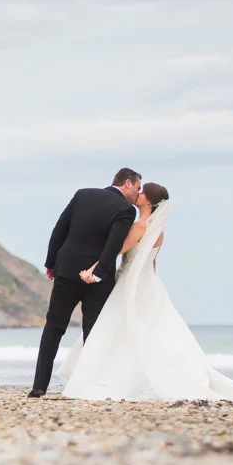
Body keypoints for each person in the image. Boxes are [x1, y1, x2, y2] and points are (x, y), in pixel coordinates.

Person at [59, 183, 233, 401]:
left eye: (142, 191)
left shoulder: (138, 227)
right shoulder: (159, 232)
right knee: (151, 330)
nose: (139, 193)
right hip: (149, 282)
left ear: (147, 201)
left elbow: (115, 252)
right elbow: (151, 262)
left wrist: (92, 269)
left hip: (130, 281)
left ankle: (112, 377)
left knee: (118, 329)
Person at [29, 168, 141, 398]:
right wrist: (97, 273)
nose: (137, 193)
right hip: (97, 281)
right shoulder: (125, 209)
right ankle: (88, 386)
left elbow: (60, 229)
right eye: (138, 187)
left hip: (67, 271)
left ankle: (39, 386)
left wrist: (51, 263)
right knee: (93, 332)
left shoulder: (83, 194)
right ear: (127, 183)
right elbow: (113, 244)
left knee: (53, 328)